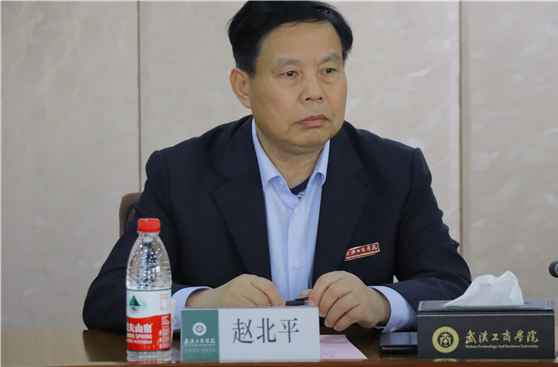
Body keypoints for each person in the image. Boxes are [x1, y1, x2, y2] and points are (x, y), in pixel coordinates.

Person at [83, 1, 471, 334]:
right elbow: (108, 298)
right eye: (290, 74)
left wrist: (381, 303)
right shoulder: (181, 173)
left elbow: (451, 285)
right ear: (243, 87)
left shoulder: (395, 171)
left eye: (329, 71)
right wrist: (203, 303)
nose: (315, 92)